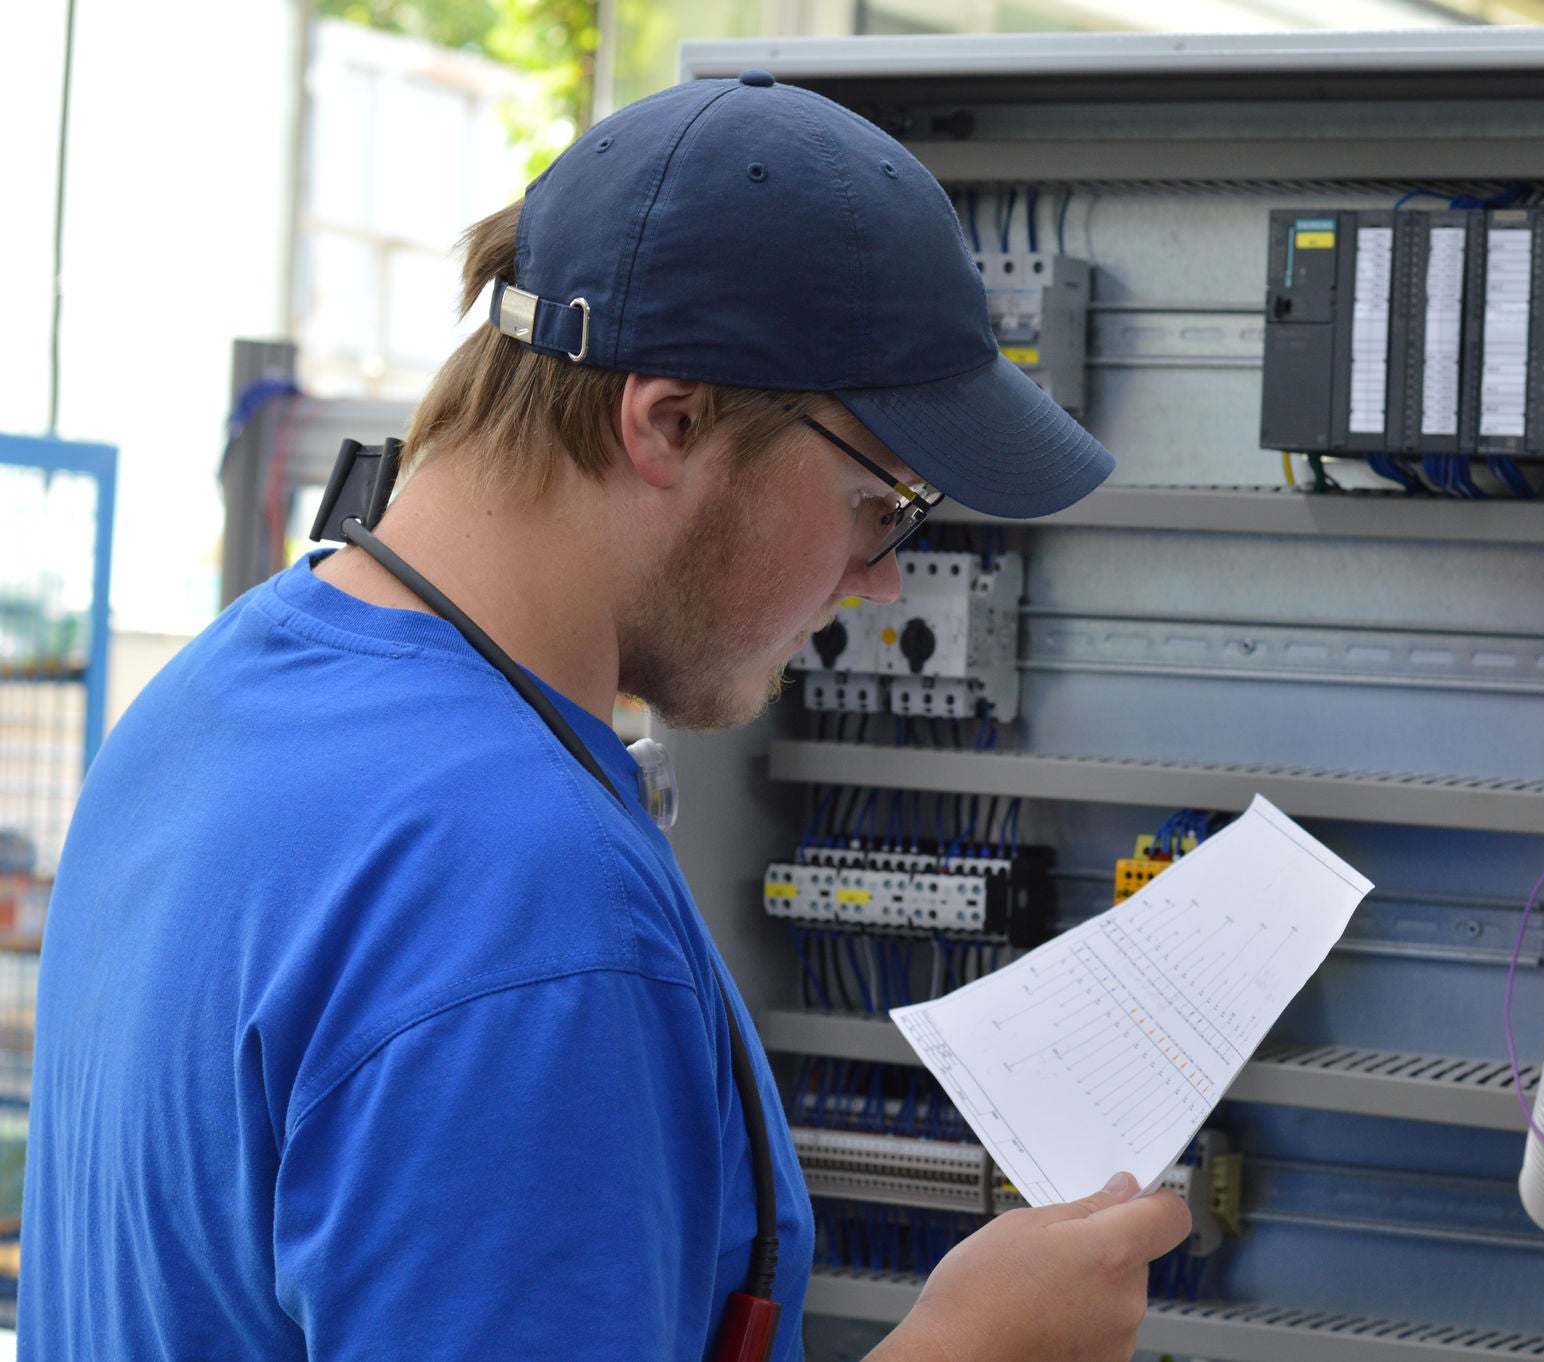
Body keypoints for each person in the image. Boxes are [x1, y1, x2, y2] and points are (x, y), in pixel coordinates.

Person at [21, 71, 1190, 1360]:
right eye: (883, 498)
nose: (881, 577)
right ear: (670, 423)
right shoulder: (526, 911)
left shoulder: (212, 695)